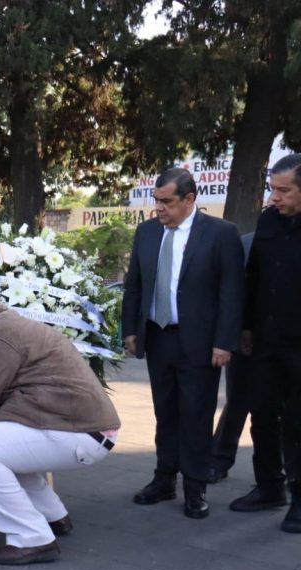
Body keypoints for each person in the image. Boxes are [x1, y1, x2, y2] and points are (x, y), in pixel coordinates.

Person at [0, 292, 120, 565]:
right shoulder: (8, 323)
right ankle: (54, 516)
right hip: (90, 429)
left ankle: (32, 538)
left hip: (79, 432)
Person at [122, 167, 243, 519]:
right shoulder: (146, 233)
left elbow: (232, 293)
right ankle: (163, 479)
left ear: (190, 200)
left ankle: (195, 486)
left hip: (201, 343)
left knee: (196, 413)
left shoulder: (220, 234)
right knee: (166, 412)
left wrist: (224, 342)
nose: (159, 209)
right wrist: (131, 329)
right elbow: (135, 286)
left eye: (167, 202)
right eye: (156, 201)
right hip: (159, 338)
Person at [234, 153, 301, 532]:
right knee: (261, 413)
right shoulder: (268, 220)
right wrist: (245, 327)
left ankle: (300, 496)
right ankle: (270, 486)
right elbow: (254, 275)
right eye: (272, 189)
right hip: (266, 339)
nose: (275, 197)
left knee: (298, 422)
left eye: (284, 190)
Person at [208, 231, 256, 482]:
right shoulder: (247, 243)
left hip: (286, 340)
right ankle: (218, 460)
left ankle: (284, 472)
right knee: (237, 401)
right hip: (245, 340)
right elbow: (232, 291)